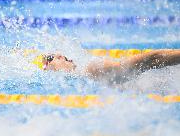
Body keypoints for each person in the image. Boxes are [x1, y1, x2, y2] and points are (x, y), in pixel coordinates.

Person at [33, 49, 180, 83]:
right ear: (45, 68)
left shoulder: (92, 68)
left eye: (63, 56)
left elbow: (150, 59)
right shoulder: (84, 76)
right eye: (51, 58)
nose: (60, 55)